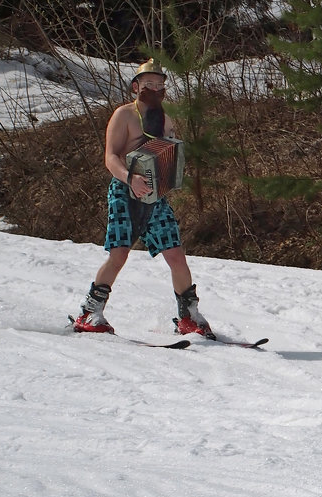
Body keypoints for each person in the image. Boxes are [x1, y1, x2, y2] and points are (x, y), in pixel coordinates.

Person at [72, 58, 214, 338]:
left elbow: (169, 156)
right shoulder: (123, 115)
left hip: (155, 196)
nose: (154, 88)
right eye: (148, 83)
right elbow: (110, 157)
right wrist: (129, 178)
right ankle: (90, 311)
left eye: (159, 84)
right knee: (119, 254)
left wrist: (170, 177)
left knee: (176, 254)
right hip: (125, 192)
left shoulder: (166, 120)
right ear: (136, 87)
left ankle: (188, 316)